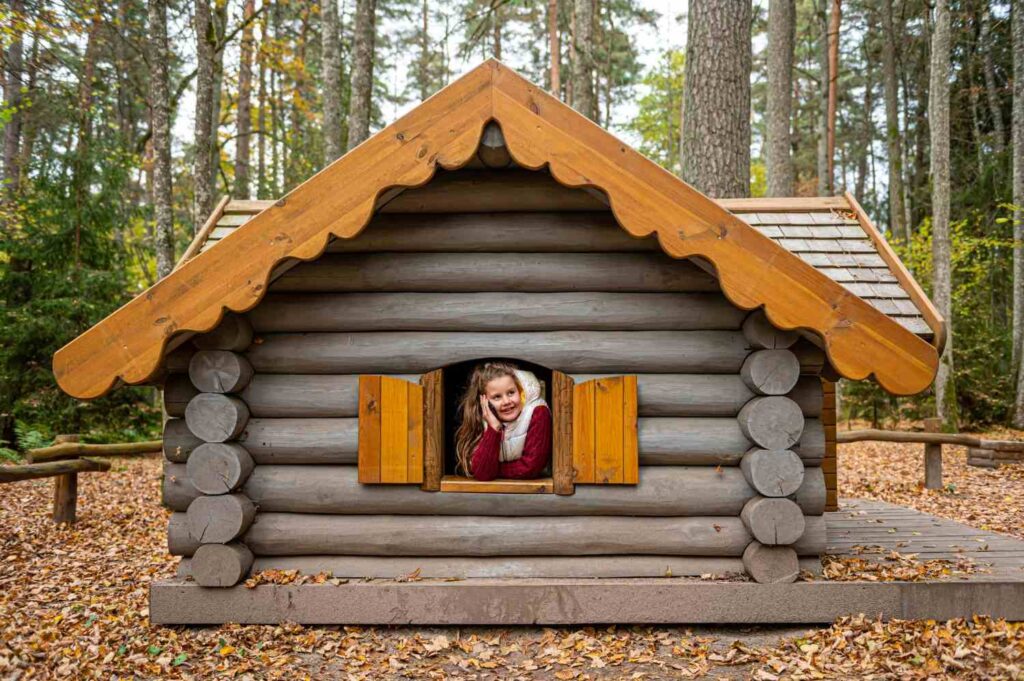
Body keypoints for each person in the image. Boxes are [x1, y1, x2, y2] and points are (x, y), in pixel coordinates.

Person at [454, 361, 552, 481]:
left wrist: (495, 470)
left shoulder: (538, 412)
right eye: (497, 397)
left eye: (511, 393)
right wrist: (494, 429)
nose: (506, 401)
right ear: (484, 401)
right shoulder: (482, 418)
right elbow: (483, 474)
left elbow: (530, 468)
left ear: (520, 391)